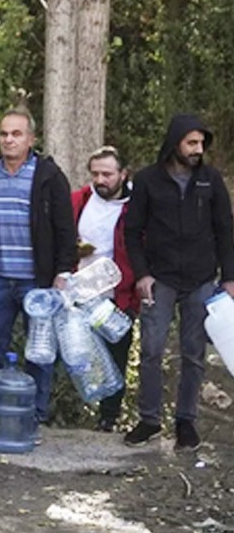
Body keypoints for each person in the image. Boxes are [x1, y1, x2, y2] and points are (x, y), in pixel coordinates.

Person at [123, 114, 234, 450]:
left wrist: (229, 277)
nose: (198, 150)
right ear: (175, 144)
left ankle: (186, 423)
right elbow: (132, 231)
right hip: (160, 278)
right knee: (152, 351)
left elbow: (226, 231)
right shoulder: (148, 181)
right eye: (191, 143)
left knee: (194, 353)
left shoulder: (210, 180)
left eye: (201, 144)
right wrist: (142, 273)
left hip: (201, 278)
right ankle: (149, 420)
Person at [0, 108, 77, 429]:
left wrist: (62, 271)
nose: (8, 140)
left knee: (39, 354)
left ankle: (34, 418)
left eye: (16, 134)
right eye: (4, 134)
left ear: (31, 139)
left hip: (37, 283)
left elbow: (65, 229)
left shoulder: (49, 177)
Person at [70, 146, 137, 432]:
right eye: (95, 173)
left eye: (107, 174)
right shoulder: (79, 200)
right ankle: (69, 413)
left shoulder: (136, 206)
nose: (100, 180)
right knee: (76, 353)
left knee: (116, 354)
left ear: (123, 174)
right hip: (78, 291)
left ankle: (108, 419)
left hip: (118, 295)